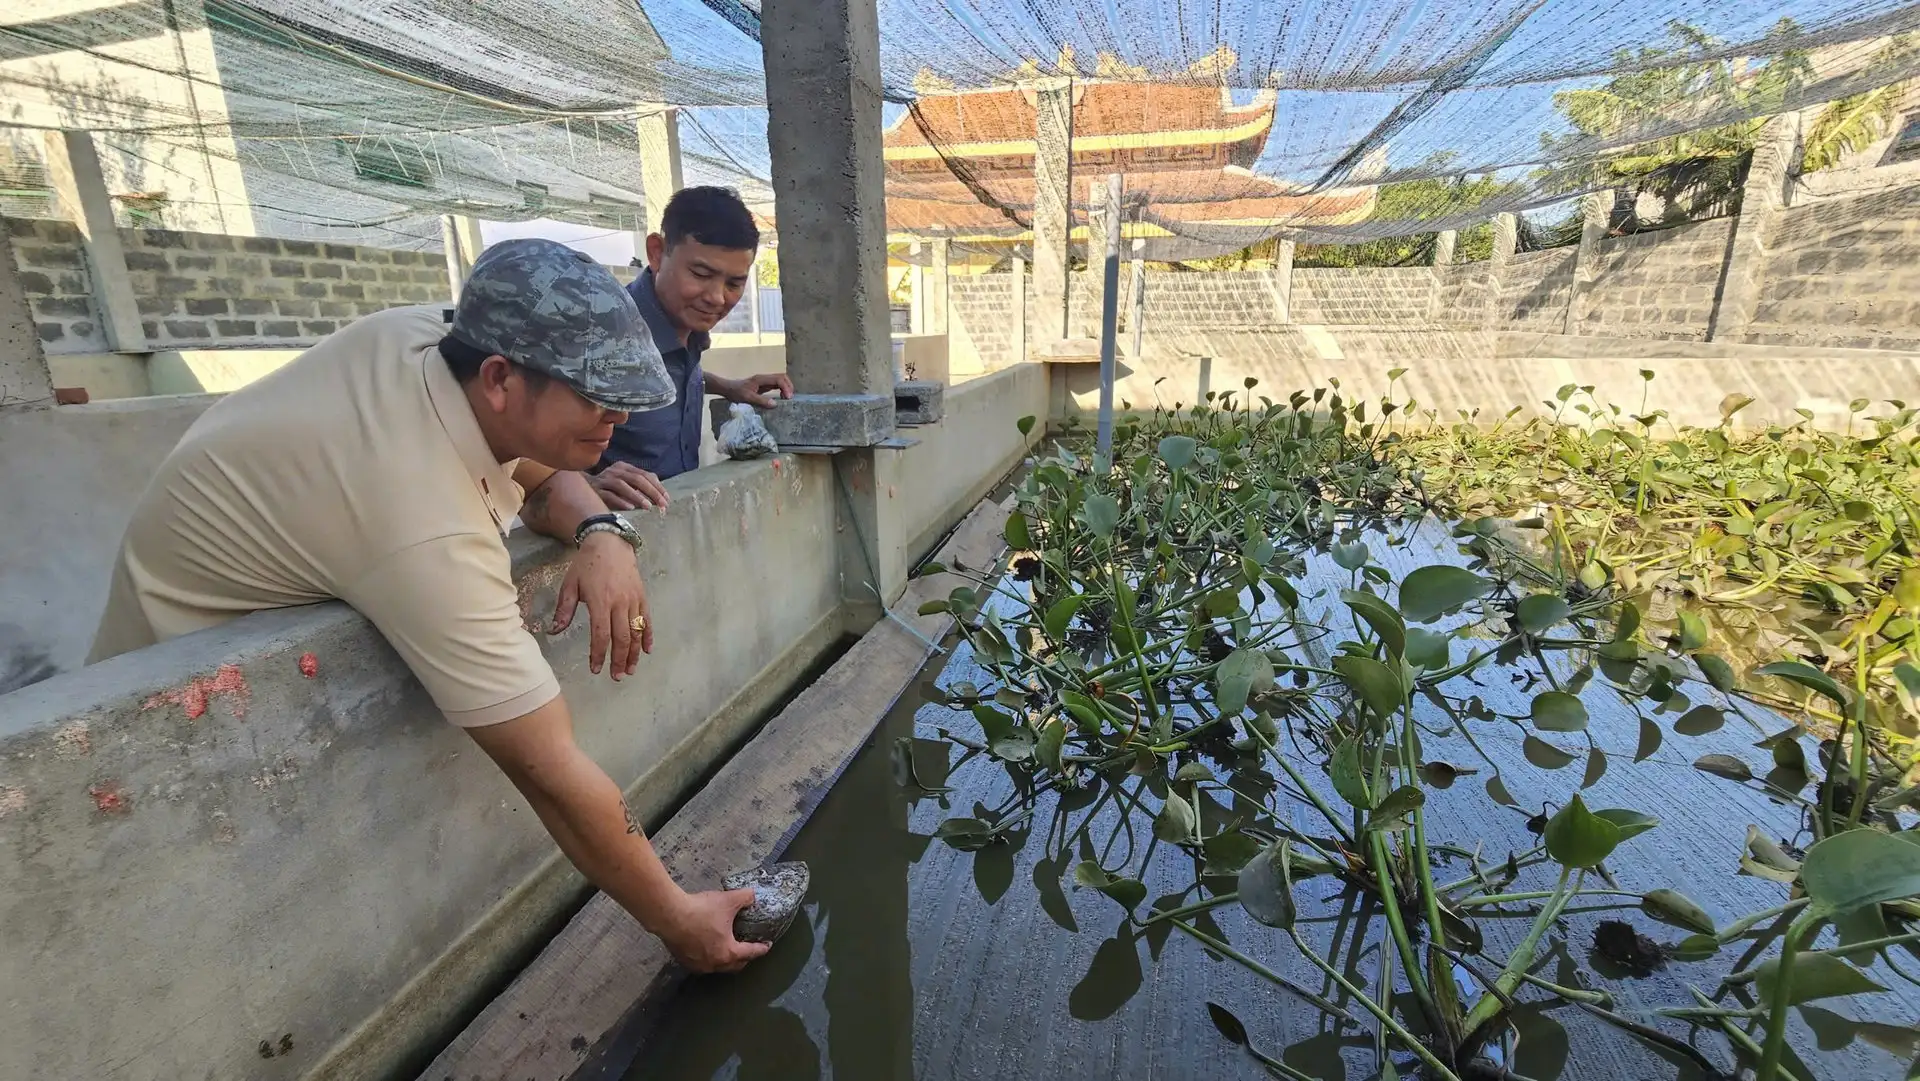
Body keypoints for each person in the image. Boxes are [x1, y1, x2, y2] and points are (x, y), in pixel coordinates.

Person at [87, 238, 769, 974]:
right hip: (161, 736)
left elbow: (540, 473)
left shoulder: (425, 339)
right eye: (594, 394)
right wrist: (678, 919)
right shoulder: (422, 520)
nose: (616, 417)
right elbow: (549, 767)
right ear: (503, 378)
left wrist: (601, 530)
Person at [588, 186, 793, 512]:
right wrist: (586, 485)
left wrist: (729, 387)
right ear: (656, 252)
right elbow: (518, 444)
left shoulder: (686, 329)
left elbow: (670, 369)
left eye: (734, 283)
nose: (716, 297)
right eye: (701, 274)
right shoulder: (599, 335)